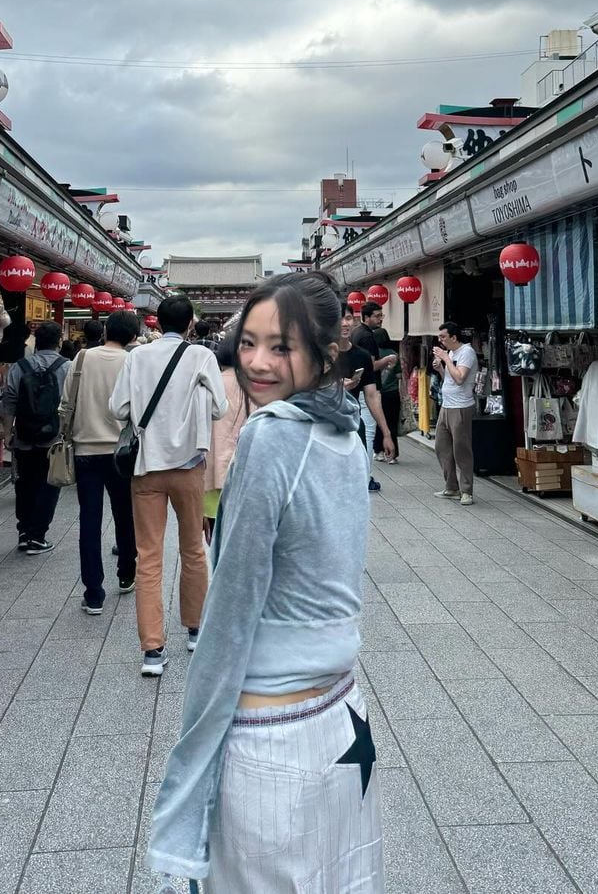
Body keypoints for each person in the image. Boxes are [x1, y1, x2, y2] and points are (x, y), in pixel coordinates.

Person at [147, 273, 383, 890]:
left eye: (282, 346)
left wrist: (189, 769)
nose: (256, 362)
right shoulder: (347, 431)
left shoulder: (273, 434)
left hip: (273, 733)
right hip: (343, 717)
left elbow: (231, 609)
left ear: (325, 354)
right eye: (248, 342)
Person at [110, 295, 227, 676]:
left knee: (148, 557)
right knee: (193, 548)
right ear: (191, 323)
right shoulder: (201, 356)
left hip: (146, 466)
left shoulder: (137, 357)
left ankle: (152, 651)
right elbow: (221, 408)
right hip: (189, 465)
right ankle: (195, 628)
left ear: (157, 323)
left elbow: (118, 408)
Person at [62, 310, 139, 613]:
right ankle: (126, 573)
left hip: (85, 451)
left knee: (89, 521)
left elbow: (66, 401)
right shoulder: (132, 361)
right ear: (133, 336)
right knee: (125, 515)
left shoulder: (81, 358)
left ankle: (93, 593)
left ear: (106, 330)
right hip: (121, 452)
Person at [1, 321, 69, 555]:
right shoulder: (67, 367)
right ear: (59, 342)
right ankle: (37, 536)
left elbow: (8, 400)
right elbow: (70, 404)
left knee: (25, 484)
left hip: (24, 436)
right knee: (49, 484)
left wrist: (7, 432)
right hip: (54, 439)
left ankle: (24, 532)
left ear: (36, 342)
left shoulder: (19, 367)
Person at [336, 302, 395, 490]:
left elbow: (372, 396)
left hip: (353, 422)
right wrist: (337, 387)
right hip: (326, 424)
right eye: (339, 319)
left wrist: (386, 433)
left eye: (348, 318)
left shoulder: (361, 356)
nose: (344, 323)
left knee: (357, 475)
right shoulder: (319, 355)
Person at [204, 338, 249, 543]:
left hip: (213, 472)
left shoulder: (211, 384)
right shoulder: (256, 387)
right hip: (244, 472)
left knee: (215, 538)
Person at [432, 321, 478, 506]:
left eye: (443, 337)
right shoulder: (451, 353)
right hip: (447, 405)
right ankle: (451, 487)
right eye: (439, 337)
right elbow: (450, 379)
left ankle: (466, 491)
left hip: (461, 406)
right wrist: (440, 369)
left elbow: (460, 378)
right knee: (442, 447)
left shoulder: (467, 352)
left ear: (454, 337)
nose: (440, 340)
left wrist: (446, 359)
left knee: (461, 449)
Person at [361, 303, 402, 463]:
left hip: (376, 391)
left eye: (381, 315)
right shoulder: (391, 353)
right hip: (389, 393)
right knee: (389, 424)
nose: (380, 319)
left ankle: (378, 451)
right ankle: (392, 454)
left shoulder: (361, 336)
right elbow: (399, 375)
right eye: (377, 316)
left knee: (376, 424)